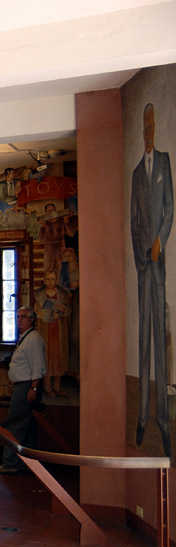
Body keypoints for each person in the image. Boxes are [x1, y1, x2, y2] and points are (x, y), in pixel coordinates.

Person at [131, 103, 174, 454]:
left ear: (155, 129)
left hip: (158, 261)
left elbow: (169, 208)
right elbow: (133, 220)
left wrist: (160, 240)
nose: (147, 134)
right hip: (143, 264)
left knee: (160, 335)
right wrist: (141, 255)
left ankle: (163, 417)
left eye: (151, 128)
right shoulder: (135, 173)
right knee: (143, 337)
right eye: (143, 129)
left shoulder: (163, 162)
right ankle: (143, 414)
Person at [0, 307, 46, 474]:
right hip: (22, 385)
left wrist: (33, 387)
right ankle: (27, 463)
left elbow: (38, 365)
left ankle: (10, 463)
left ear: (32, 319)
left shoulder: (33, 339)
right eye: (17, 317)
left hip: (27, 386)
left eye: (23, 317)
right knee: (27, 425)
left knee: (14, 424)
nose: (19, 320)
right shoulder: (25, 338)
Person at [34, 270, 71, 396]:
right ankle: (48, 387)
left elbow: (69, 310)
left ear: (56, 280)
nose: (50, 282)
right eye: (48, 279)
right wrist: (50, 314)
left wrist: (63, 310)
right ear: (44, 280)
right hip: (45, 329)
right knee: (47, 356)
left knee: (58, 356)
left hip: (59, 330)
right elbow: (37, 311)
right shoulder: (39, 295)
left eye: (53, 279)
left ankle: (57, 386)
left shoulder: (62, 294)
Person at [38, 202, 76, 277]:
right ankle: (48, 286)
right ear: (45, 212)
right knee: (48, 267)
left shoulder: (61, 220)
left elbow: (71, 233)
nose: (50, 212)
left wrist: (66, 221)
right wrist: (42, 227)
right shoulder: (44, 222)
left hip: (60, 245)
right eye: (48, 210)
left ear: (56, 210)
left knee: (61, 266)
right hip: (49, 246)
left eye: (52, 209)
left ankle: (61, 284)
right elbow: (41, 239)